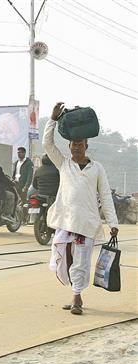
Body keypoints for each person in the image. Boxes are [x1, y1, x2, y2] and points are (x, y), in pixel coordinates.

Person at [44, 102, 119, 315]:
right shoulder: (63, 164)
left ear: (86, 145)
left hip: (86, 224)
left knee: (81, 262)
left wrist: (112, 223)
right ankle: (75, 291)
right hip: (65, 222)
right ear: (69, 147)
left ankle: (76, 298)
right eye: (73, 144)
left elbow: (105, 196)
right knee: (61, 256)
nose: (76, 147)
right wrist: (52, 119)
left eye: (80, 144)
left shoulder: (97, 168)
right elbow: (48, 144)